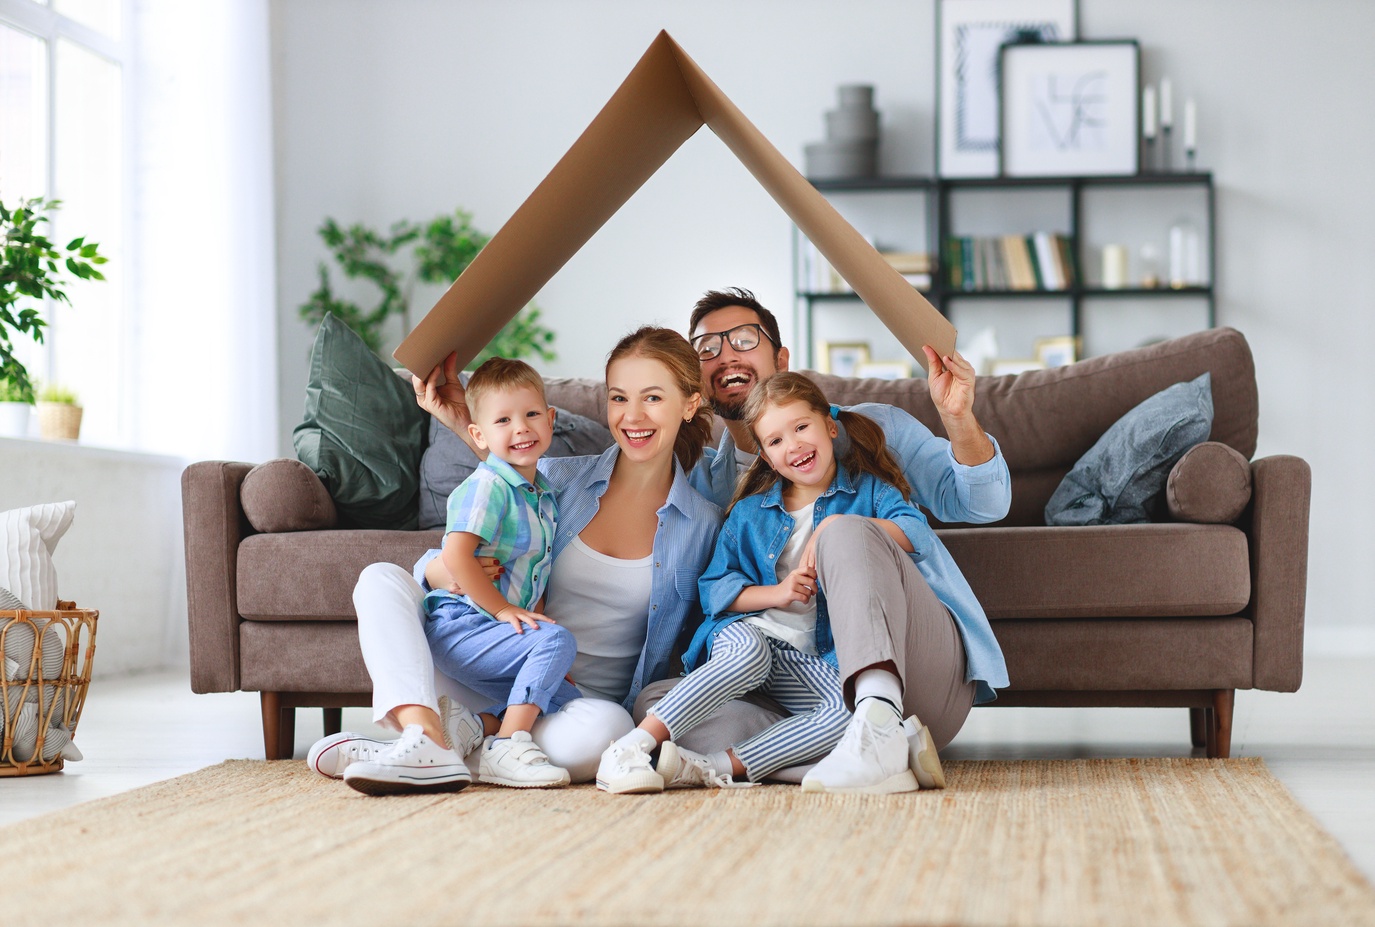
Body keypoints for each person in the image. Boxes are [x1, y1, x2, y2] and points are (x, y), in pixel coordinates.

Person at [309, 327, 722, 791]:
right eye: (619, 398)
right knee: (380, 578)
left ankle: (439, 746)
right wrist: (437, 569)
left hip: (570, 706)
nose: (633, 416)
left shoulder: (703, 523)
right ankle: (427, 733)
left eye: (652, 398)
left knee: (608, 734)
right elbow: (489, 503)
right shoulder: (559, 479)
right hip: (487, 664)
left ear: (689, 404)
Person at [633, 287, 1011, 793]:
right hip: (797, 685)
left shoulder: (873, 434)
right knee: (659, 705)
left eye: (743, 339)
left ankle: (876, 721)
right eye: (706, 349)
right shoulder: (703, 483)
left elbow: (984, 505)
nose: (725, 356)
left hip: (914, 670)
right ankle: (838, 755)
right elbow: (701, 593)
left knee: (846, 531)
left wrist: (959, 417)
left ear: (780, 357)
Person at [599, 372, 945, 794]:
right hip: (749, 639)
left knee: (850, 710)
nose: (794, 445)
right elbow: (715, 589)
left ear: (830, 428)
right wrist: (778, 594)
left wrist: (842, 524)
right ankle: (633, 746)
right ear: (764, 456)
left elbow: (918, 533)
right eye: (776, 441)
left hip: (810, 660)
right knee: (732, 663)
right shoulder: (750, 514)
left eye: (801, 427)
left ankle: (717, 766)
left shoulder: (868, 492)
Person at [379, 357, 570, 791]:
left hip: (495, 632)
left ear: (551, 419)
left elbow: (535, 575)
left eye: (531, 415)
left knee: (564, 696)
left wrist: (536, 635)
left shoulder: (545, 496)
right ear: (479, 435)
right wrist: (503, 609)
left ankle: (472, 724)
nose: (521, 428)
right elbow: (457, 556)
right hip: (462, 625)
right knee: (560, 639)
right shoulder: (489, 485)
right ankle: (506, 745)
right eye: (504, 420)